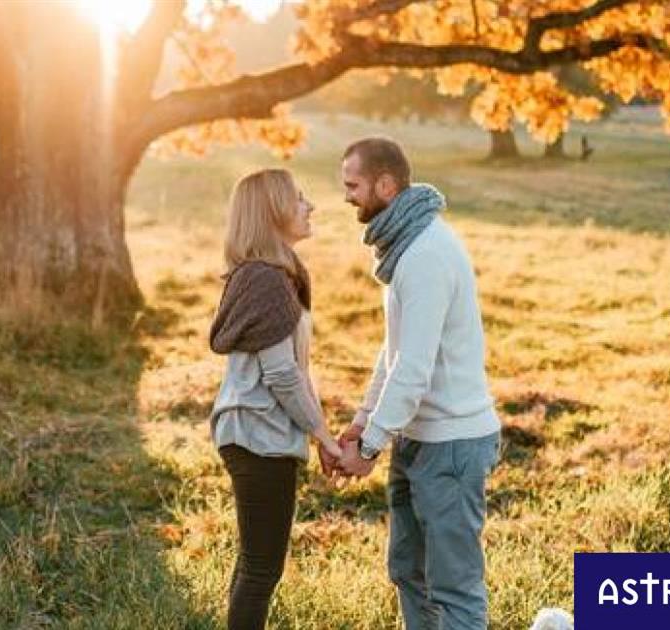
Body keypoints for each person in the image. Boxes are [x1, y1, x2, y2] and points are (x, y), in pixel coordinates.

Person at [332, 137, 502, 630]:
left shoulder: (425, 253)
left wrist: (368, 445)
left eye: (353, 185)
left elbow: (415, 369)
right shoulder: (406, 247)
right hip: (417, 439)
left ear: (386, 185)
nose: (346, 196)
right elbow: (395, 352)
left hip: (450, 445)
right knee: (409, 573)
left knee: (453, 590)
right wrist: (365, 421)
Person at [208, 168, 344, 630]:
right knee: (262, 568)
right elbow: (283, 375)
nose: (311, 207)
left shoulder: (275, 276)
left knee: (255, 564)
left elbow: (297, 371)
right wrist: (323, 436)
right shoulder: (266, 280)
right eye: (300, 199)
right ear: (273, 212)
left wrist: (319, 429)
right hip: (257, 435)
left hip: (257, 432)